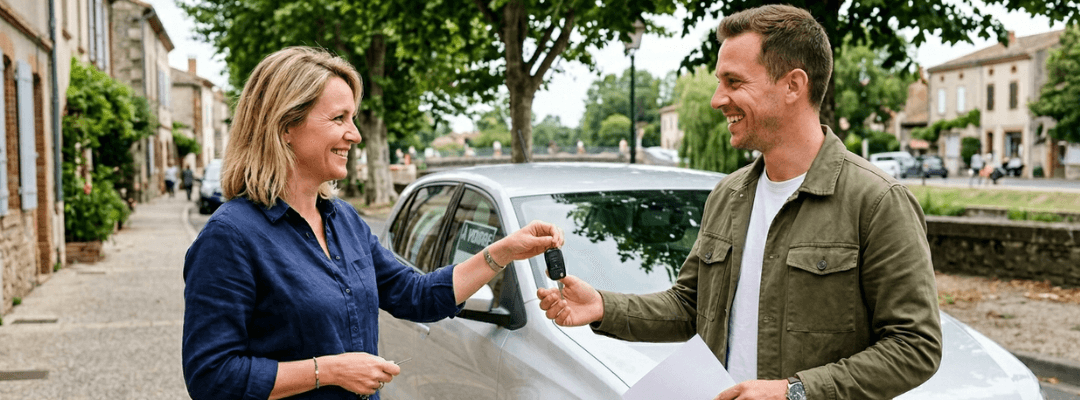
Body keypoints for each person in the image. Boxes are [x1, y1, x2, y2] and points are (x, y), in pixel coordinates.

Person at [537, 5, 941, 400]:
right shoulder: (727, 196)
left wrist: (794, 392)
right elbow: (690, 307)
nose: (717, 99)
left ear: (793, 85)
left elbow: (915, 346)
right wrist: (604, 306)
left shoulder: (878, 201)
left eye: (733, 82)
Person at [182, 46, 564, 400]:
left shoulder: (344, 220)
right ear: (286, 127)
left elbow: (418, 295)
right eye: (339, 119)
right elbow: (211, 376)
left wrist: (505, 250)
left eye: (354, 118)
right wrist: (327, 371)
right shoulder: (230, 236)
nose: (356, 134)